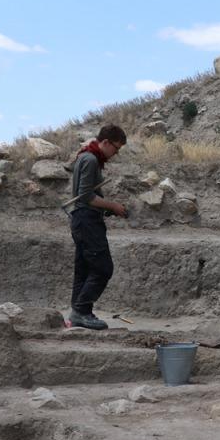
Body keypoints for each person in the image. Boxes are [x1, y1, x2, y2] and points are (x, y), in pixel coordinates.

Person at [66, 124, 128, 330]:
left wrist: (106, 209)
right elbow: (86, 196)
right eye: (116, 149)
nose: (116, 153)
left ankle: (78, 313)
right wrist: (112, 206)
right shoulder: (91, 159)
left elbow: (87, 196)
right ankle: (82, 311)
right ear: (106, 142)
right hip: (87, 220)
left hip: (82, 218)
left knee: (84, 268)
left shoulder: (87, 157)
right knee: (103, 268)